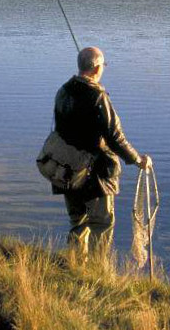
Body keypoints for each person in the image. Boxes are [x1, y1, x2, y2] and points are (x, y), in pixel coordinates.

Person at [53, 46, 151, 259]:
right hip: (96, 175)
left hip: (67, 169)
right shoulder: (98, 97)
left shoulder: (63, 92)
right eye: (103, 65)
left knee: (77, 221)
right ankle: (98, 274)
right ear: (96, 68)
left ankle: (75, 267)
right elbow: (115, 137)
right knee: (101, 224)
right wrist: (137, 159)